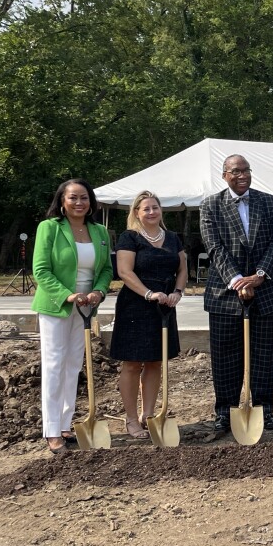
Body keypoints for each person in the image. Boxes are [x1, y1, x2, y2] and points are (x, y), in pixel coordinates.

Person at [200, 155, 273, 434]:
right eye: (236, 171)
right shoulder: (210, 205)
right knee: (225, 356)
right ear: (224, 175)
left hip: (266, 290)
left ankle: (264, 409)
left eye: (246, 170)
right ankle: (226, 412)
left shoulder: (269, 202)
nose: (242, 175)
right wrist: (237, 280)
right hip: (224, 294)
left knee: (266, 354)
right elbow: (214, 247)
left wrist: (259, 275)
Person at [31, 179, 113, 453]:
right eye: (73, 198)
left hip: (87, 306)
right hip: (57, 305)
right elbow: (41, 270)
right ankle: (52, 430)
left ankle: (66, 425)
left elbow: (106, 270)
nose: (79, 203)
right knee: (54, 364)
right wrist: (67, 294)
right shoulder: (50, 228)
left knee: (74, 364)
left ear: (91, 202)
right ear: (62, 202)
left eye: (84, 198)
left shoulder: (100, 231)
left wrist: (99, 292)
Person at [109, 191, 188, 439]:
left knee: (155, 361)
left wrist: (177, 292)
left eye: (155, 207)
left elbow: (183, 270)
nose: (152, 212)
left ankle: (149, 414)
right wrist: (148, 293)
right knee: (132, 363)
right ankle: (131, 419)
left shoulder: (173, 238)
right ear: (136, 213)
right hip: (136, 304)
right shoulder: (129, 237)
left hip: (164, 305)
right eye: (146, 209)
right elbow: (124, 271)